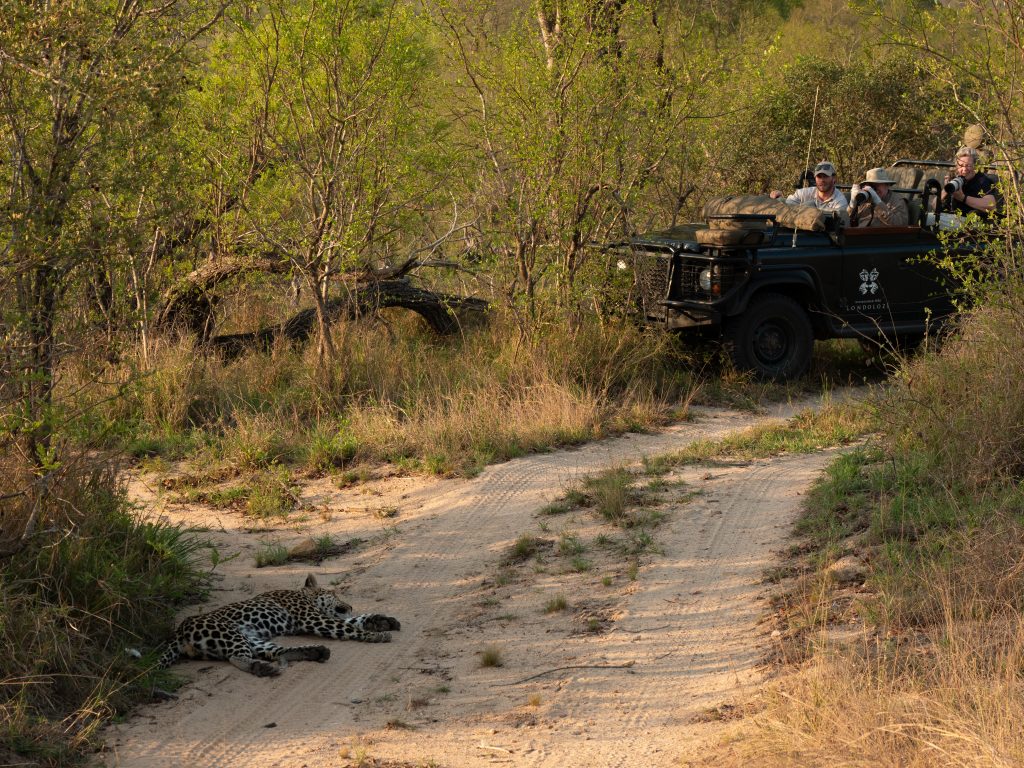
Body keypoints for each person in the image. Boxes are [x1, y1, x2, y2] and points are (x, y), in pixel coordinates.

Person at [770, 161, 849, 221]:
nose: (822, 180)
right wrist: (779, 198)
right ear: (815, 178)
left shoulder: (840, 201)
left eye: (825, 176)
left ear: (834, 178)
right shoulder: (803, 193)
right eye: (819, 176)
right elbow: (787, 207)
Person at [941, 145, 999, 218]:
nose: (964, 169)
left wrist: (963, 198)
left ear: (975, 165)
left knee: (928, 220)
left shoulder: (982, 180)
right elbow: (933, 206)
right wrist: (946, 189)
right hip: (948, 217)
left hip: (968, 222)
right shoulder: (954, 179)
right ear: (957, 167)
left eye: (968, 165)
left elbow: (991, 205)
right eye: (961, 166)